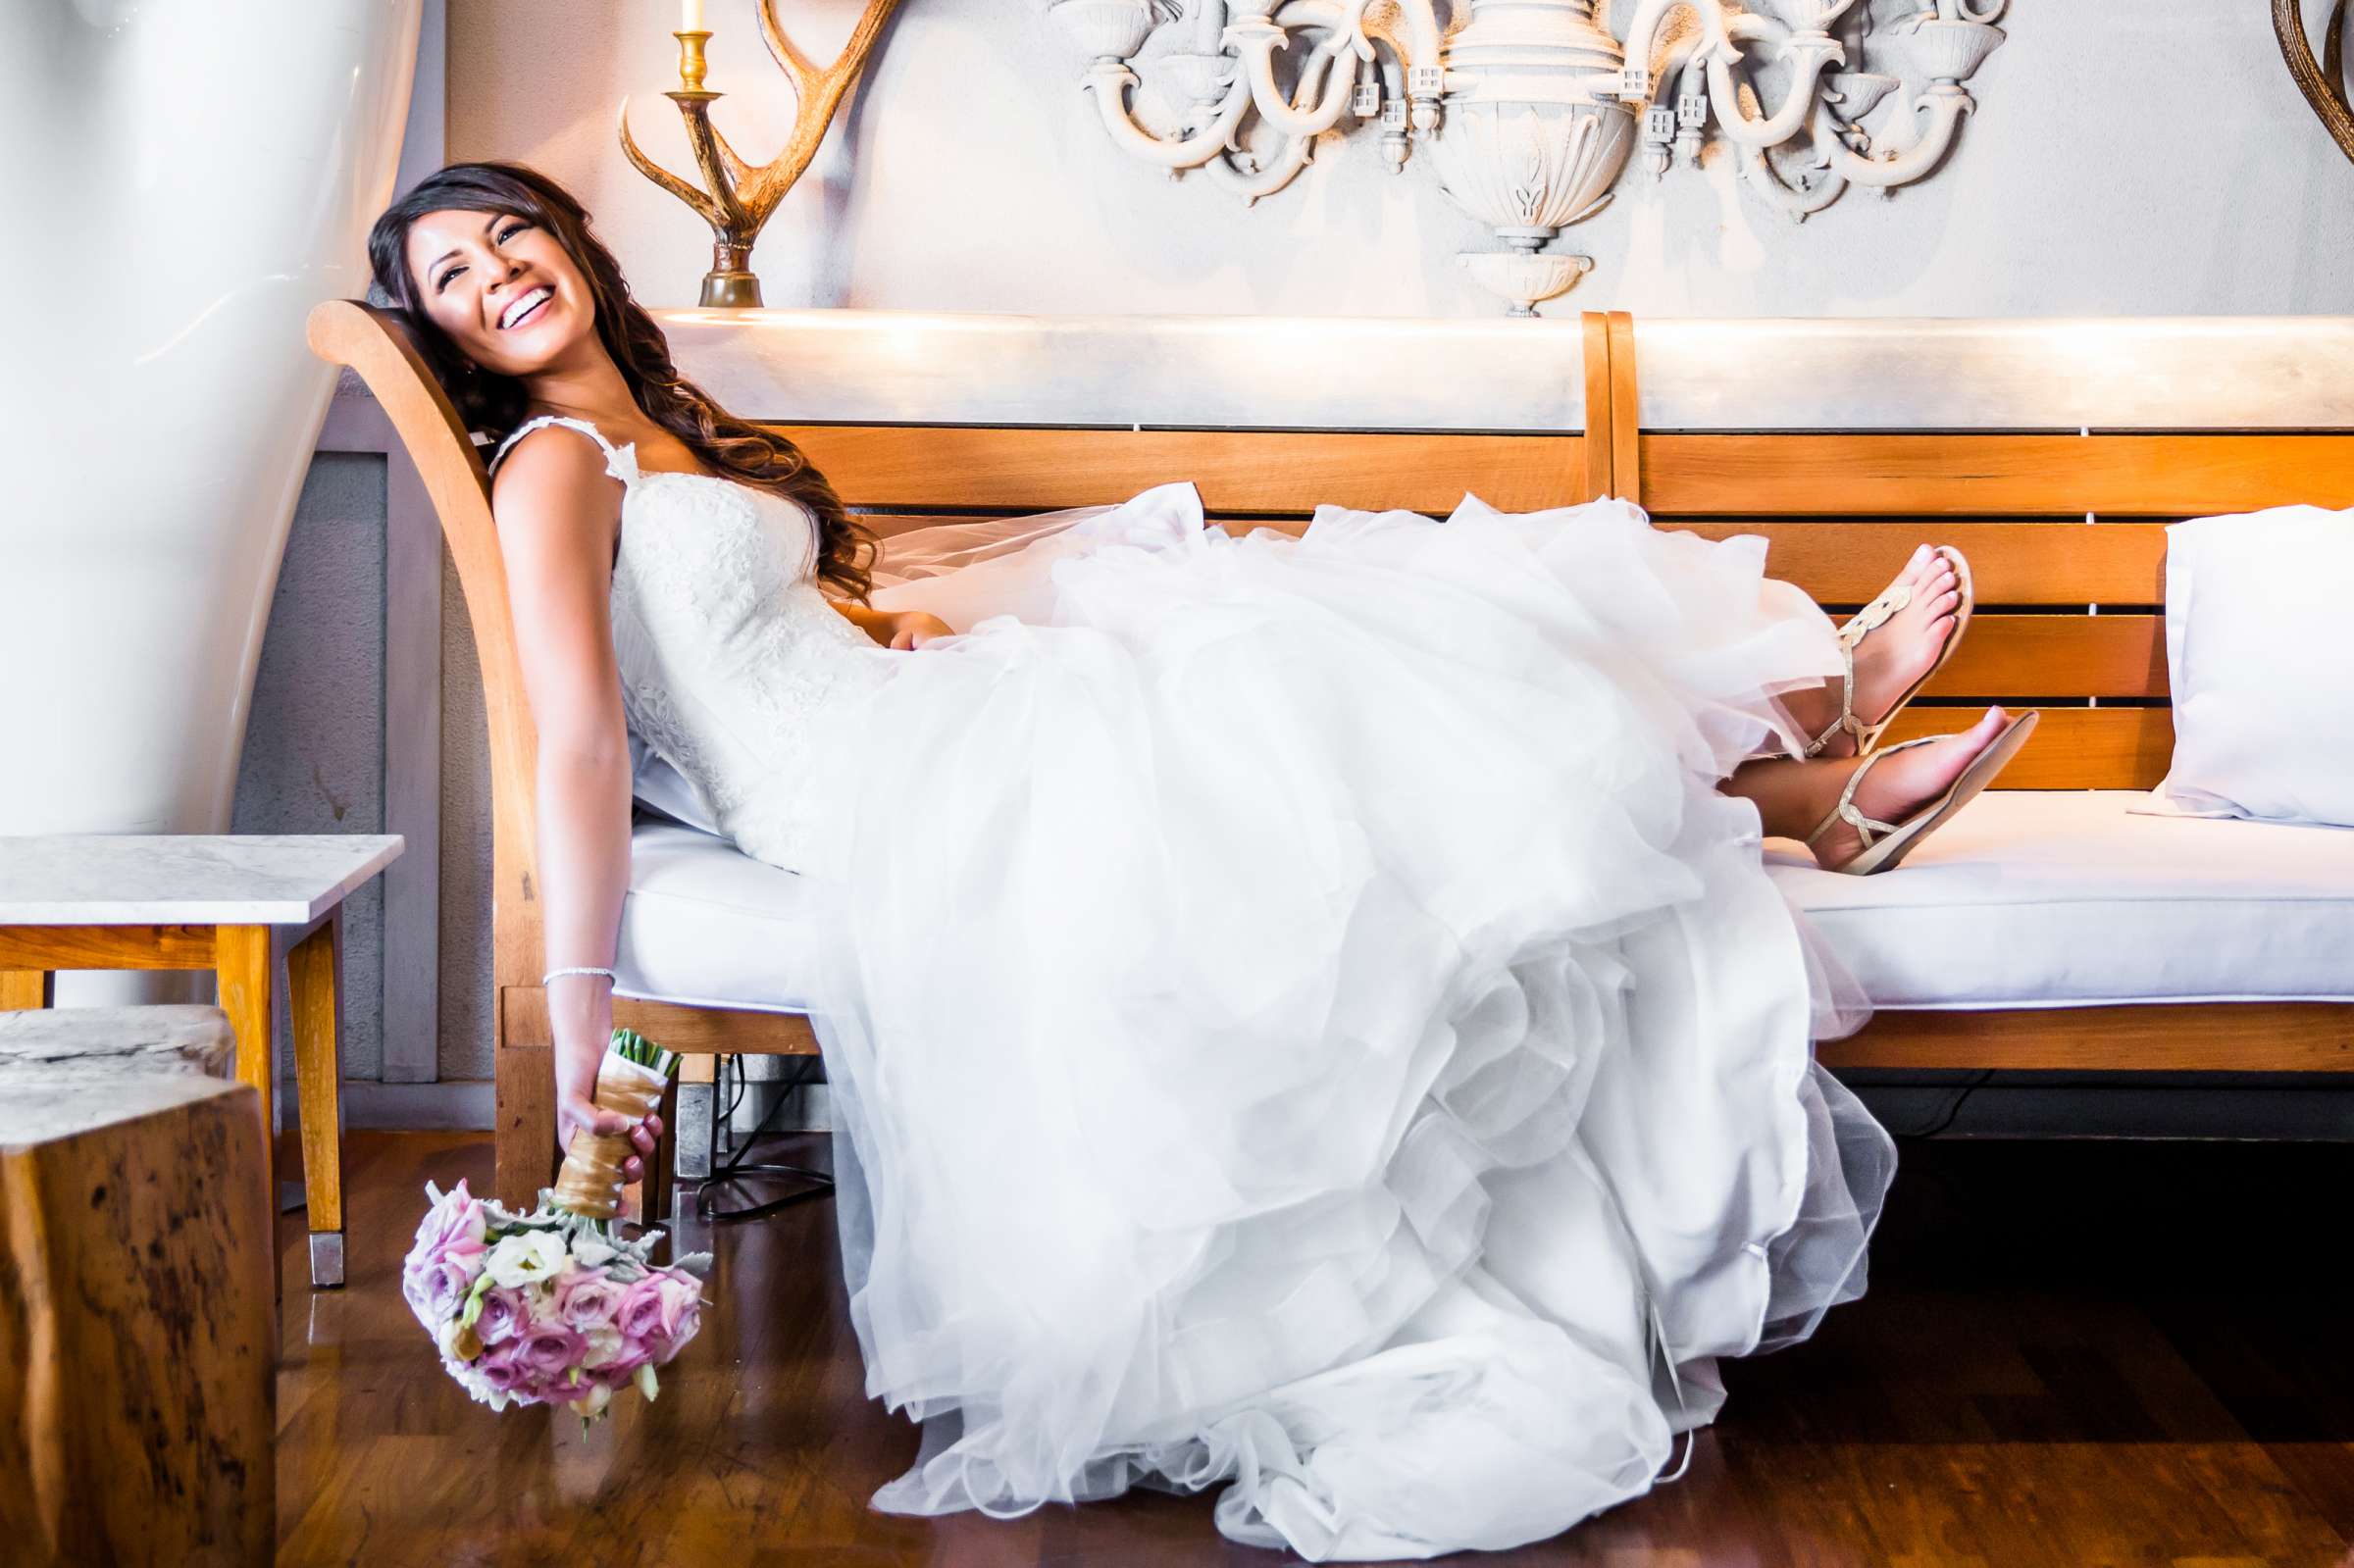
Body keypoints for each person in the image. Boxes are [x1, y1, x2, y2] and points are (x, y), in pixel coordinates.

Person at [368, 161, 2031, 1561]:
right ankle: (1811, 740)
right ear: (448, 336)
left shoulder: (670, 439)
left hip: (922, 721)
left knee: (1343, 651)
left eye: (510, 235)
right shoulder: (552, 469)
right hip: (881, 791)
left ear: (573, 249)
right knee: (1318, 668)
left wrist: (955, 617)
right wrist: (576, 1000)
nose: (496, 273)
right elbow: (581, 739)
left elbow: (783, 635)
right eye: (452, 274)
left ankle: (1809, 774)